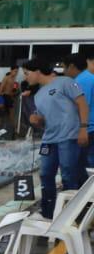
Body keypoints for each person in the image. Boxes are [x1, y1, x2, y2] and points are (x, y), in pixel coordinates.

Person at [23, 58, 89, 218]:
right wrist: (37, 120)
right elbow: (45, 120)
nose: (26, 77)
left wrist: (83, 128)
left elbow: (82, 104)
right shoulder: (38, 95)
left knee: (68, 174)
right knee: (45, 175)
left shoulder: (64, 82)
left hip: (68, 136)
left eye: (27, 73)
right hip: (49, 140)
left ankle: (72, 215)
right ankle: (48, 212)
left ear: (37, 71)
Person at [74, 51, 94, 169]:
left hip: (89, 128)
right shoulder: (86, 79)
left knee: (87, 164)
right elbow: (82, 105)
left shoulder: (85, 79)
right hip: (88, 128)